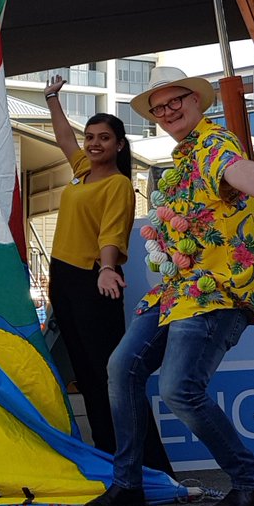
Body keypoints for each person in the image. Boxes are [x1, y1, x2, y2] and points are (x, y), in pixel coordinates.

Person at [83, 65, 254, 506]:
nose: (167, 112)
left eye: (174, 101)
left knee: (179, 388)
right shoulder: (181, 159)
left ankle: (252, 483)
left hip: (215, 291)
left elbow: (239, 171)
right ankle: (128, 484)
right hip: (177, 290)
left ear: (196, 101)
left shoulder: (214, 144)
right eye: (158, 108)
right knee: (122, 367)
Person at [43, 76, 172, 474]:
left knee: (111, 375)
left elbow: (111, 232)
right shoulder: (82, 171)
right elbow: (64, 138)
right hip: (64, 279)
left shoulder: (117, 185)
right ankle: (109, 457)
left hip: (94, 279)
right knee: (85, 375)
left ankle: (150, 465)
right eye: (90, 137)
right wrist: (52, 99)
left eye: (104, 138)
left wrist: (109, 268)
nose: (94, 143)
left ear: (119, 145)